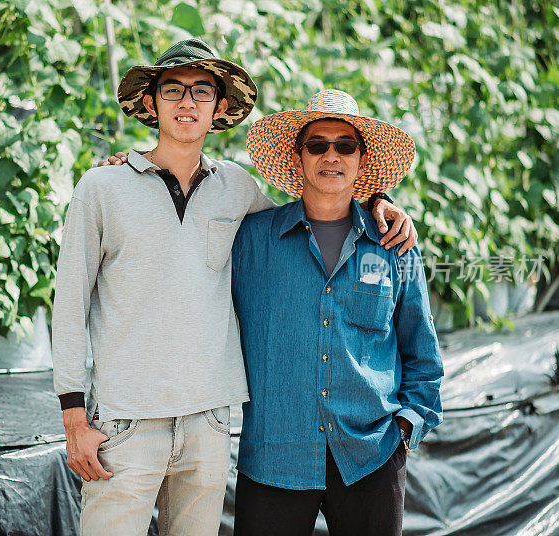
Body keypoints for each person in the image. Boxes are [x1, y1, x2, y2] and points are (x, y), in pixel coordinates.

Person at [52, 39, 417, 536]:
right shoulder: (103, 187)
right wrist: (74, 417)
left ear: (219, 107)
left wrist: (378, 201)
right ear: (150, 102)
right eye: (173, 89)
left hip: (209, 424)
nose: (187, 102)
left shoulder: (236, 188)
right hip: (125, 420)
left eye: (202, 91)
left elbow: (320, 210)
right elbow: (69, 305)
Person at [230, 89, 444, 536]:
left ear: (362, 162)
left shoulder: (394, 246)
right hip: (275, 456)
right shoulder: (250, 240)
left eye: (345, 145)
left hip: (371, 456)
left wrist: (405, 429)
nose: (332, 155)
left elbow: (422, 351)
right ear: (297, 157)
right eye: (317, 144)